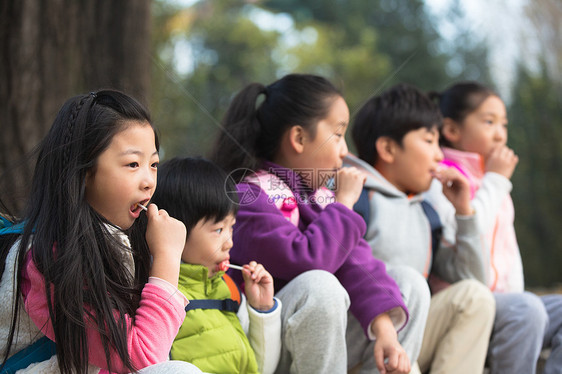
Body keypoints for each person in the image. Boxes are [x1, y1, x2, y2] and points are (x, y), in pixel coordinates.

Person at [210, 73, 412, 374]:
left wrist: (385, 330)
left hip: (314, 343)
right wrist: (343, 205)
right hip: (262, 348)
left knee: (408, 284)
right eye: (338, 134)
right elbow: (306, 260)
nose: (345, 151)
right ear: (300, 138)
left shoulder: (317, 197)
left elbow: (357, 262)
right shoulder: (248, 195)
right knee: (320, 286)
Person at [0, 90, 201, 374]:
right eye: (133, 164)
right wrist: (167, 259)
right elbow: (145, 358)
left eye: (153, 164)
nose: (148, 181)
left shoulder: (120, 239)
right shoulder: (49, 258)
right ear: (83, 173)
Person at [346, 83, 495, 374]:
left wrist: (464, 212)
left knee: (474, 297)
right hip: (362, 342)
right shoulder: (356, 199)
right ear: (388, 148)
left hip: (409, 339)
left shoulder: (427, 212)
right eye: (429, 141)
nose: (440, 155)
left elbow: (475, 279)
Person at [425, 81, 562, 374]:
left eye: (504, 123)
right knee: (527, 309)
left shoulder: (493, 180)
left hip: (510, 304)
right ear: (451, 130)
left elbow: (509, 254)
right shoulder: (441, 179)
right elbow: (466, 236)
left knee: (543, 309)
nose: (500, 133)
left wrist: (519, 294)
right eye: (489, 122)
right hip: (469, 303)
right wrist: (496, 182)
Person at [150, 156, 282, 374]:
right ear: (175, 229)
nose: (229, 242)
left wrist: (261, 310)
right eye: (218, 230)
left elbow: (261, 368)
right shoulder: (159, 295)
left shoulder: (228, 290)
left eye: (231, 227)